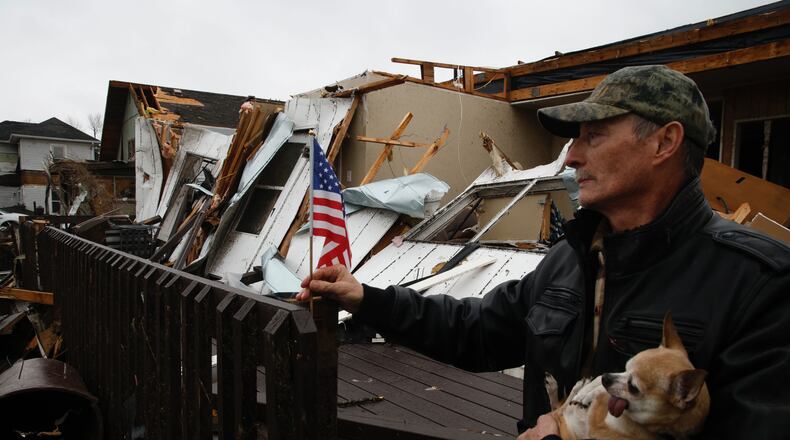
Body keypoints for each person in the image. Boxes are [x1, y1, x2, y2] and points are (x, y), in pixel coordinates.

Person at [296, 65, 790, 438]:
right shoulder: (571, 260)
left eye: (593, 136)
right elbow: (478, 330)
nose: (571, 156)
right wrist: (367, 298)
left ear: (665, 142)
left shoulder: (759, 284)